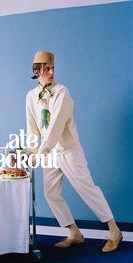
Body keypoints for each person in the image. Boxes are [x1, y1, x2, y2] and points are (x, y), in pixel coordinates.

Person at [26, 51, 122, 252]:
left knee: (87, 188)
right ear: (37, 71)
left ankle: (115, 231)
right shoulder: (30, 97)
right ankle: (74, 233)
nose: (51, 72)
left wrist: (40, 153)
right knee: (51, 193)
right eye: (46, 68)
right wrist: (32, 150)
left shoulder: (62, 92)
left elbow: (56, 127)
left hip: (68, 150)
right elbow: (33, 128)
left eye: (52, 68)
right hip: (49, 153)